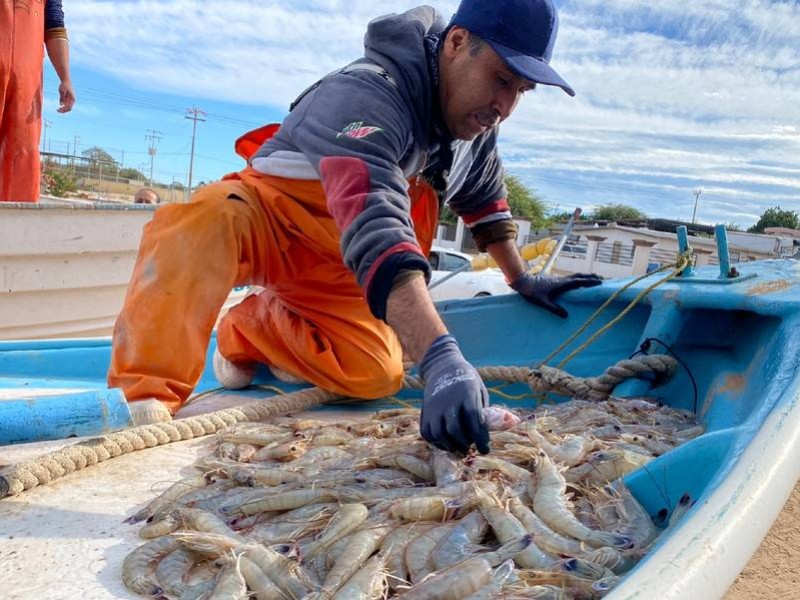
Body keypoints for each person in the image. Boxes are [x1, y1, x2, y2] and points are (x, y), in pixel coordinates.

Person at [108, 0, 602, 452]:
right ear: (456, 44)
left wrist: (521, 278)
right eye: (501, 78)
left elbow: (487, 206)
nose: (505, 107)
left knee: (376, 373)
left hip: (341, 268)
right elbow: (376, 218)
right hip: (270, 223)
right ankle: (141, 395)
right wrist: (439, 359)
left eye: (521, 90)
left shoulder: (475, 130)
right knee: (205, 219)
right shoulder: (367, 93)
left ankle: (251, 328)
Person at [0, 0, 76, 202]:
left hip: (26, 84)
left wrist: (65, 77)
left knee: (21, 155)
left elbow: (54, 25)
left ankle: (15, 227)